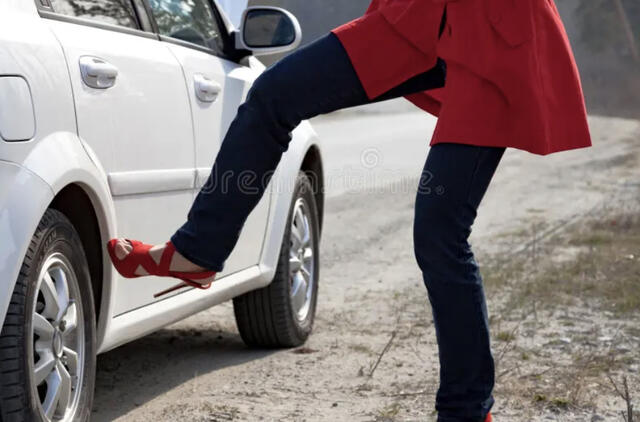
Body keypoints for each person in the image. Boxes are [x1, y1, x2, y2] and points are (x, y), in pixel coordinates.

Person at [106, 0, 592, 420]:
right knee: (274, 93)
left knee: (440, 234)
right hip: (416, 15)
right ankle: (198, 251)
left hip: (495, 29)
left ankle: (465, 412)